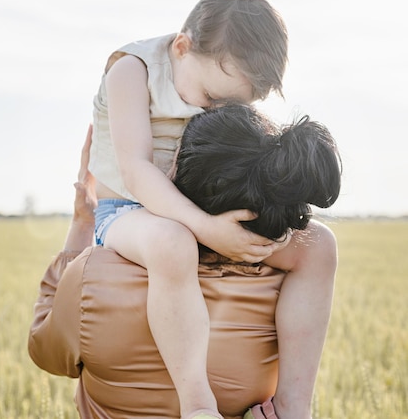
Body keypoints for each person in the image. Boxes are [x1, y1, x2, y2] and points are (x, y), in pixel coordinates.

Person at [28, 104, 341, 419]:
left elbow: (45, 352)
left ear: (174, 175)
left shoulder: (93, 276)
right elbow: (317, 245)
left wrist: (83, 224)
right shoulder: (291, 279)